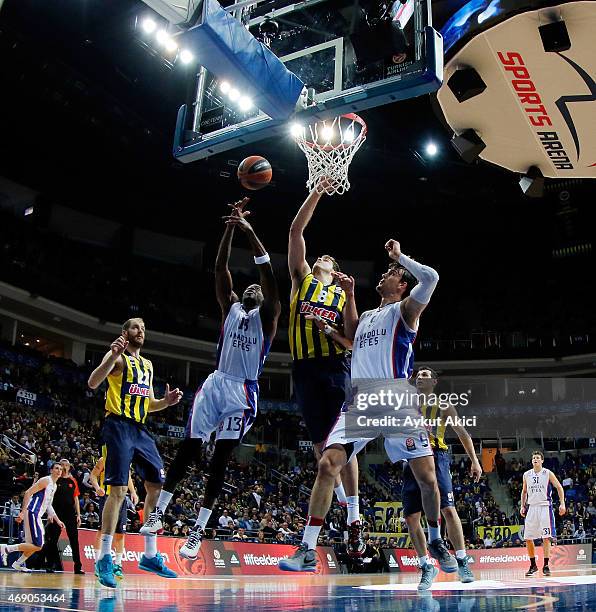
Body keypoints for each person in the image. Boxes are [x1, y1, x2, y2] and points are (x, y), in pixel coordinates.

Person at [280, 238, 456, 589]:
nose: (385, 274)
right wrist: (344, 300)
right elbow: (350, 338)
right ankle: (307, 548)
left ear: (402, 285)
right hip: (361, 400)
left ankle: (435, 538)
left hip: (396, 397)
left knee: (427, 479)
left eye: (391, 273)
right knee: (328, 463)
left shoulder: (405, 311)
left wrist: (400, 257)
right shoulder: (367, 317)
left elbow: (433, 278)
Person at [140, 199, 281, 562]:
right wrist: (230, 229)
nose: (253, 288)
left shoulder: (268, 318)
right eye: (247, 287)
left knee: (219, 461)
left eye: (258, 289)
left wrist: (253, 235)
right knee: (189, 447)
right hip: (217, 383)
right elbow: (219, 268)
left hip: (242, 391)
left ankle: (198, 530)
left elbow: (269, 278)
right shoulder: (230, 307)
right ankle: (158, 514)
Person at [287, 184, 359, 544]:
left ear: (335, 270)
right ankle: (345, 509)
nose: (322, 259)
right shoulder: (301, 281)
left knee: (343, 441)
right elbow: (296, 231)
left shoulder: (339, 293)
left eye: (329, 260)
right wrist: (316, 192)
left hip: (333, 365)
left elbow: (352, 335)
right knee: (321, 450)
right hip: (303, 368)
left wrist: (349, 299)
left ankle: (354, 513)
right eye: (320, 258)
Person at [88, 317, 183, 587]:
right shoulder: (117, 357)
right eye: (135, 327)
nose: (140, 331)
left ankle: (150, 555)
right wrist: (111, 356)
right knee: (117, 492)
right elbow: (94, 382)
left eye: (143, 328)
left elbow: (147, 403)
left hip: (140, 429)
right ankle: (104, 557)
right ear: (125, 333)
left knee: (157, 484)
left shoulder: (148, 365)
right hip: (117, 426)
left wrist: (164, 402)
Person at [402, 367, 481, 584]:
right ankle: (426, 566)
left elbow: (462, 433)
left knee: (447, 507)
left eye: (425, 375)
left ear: (434, 382)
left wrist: (474, 460)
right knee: (411, 516)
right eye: (418, 375)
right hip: (411, 457)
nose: (420, 378)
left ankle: (463, 561)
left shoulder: (444, 405)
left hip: (437, 455)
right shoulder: (406, 404)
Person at [0, 462, 65, 571]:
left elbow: (48, 505)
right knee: (39, 545)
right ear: (51, 470)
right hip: (32, 512)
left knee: (32, 544)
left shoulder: (54, 486)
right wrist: (22, 512)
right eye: (57, 468)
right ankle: (6, 548)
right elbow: (28, 493)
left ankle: (18, 564)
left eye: (61, 469)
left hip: (37, 515)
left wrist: (58, 520)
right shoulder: (46, 480)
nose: (59, 470)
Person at [89, 455, 138, 580]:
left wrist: (133, 492)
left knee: (120, 533)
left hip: (121, 498)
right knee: (102, 530)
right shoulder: (103, 459)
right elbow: (93, 475)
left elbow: (128, 477)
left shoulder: (124, 458)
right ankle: (97, 562)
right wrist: (97, 487)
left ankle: (117, 565)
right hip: (107, 497)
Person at [521, 450, 566, 576]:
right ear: (532, 461)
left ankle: (546, 565)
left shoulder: (547, 473)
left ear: (542, 460)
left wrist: (562, 503)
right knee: (528, 538)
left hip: (545, 508)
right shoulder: (526, 475)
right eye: (533, 458)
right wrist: (522, 506)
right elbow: (524, 492)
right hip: (532, 508)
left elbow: (559, 487)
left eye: (537, 457)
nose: (535, 459)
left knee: (546, 537)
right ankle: (533, 565)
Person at [43, 458, 84, 574]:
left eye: (66, 465)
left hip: (70, 514)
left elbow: (76, 498)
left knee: (74, 541)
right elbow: (48, 498)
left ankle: (78, 567)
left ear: (69, 467)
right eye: (62, 465)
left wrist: (79, 515)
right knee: (53, 540)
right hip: (57, 513)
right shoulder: (55, 480)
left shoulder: (73, 481)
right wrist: (49, 513)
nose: (64, 467)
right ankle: (50, 565)